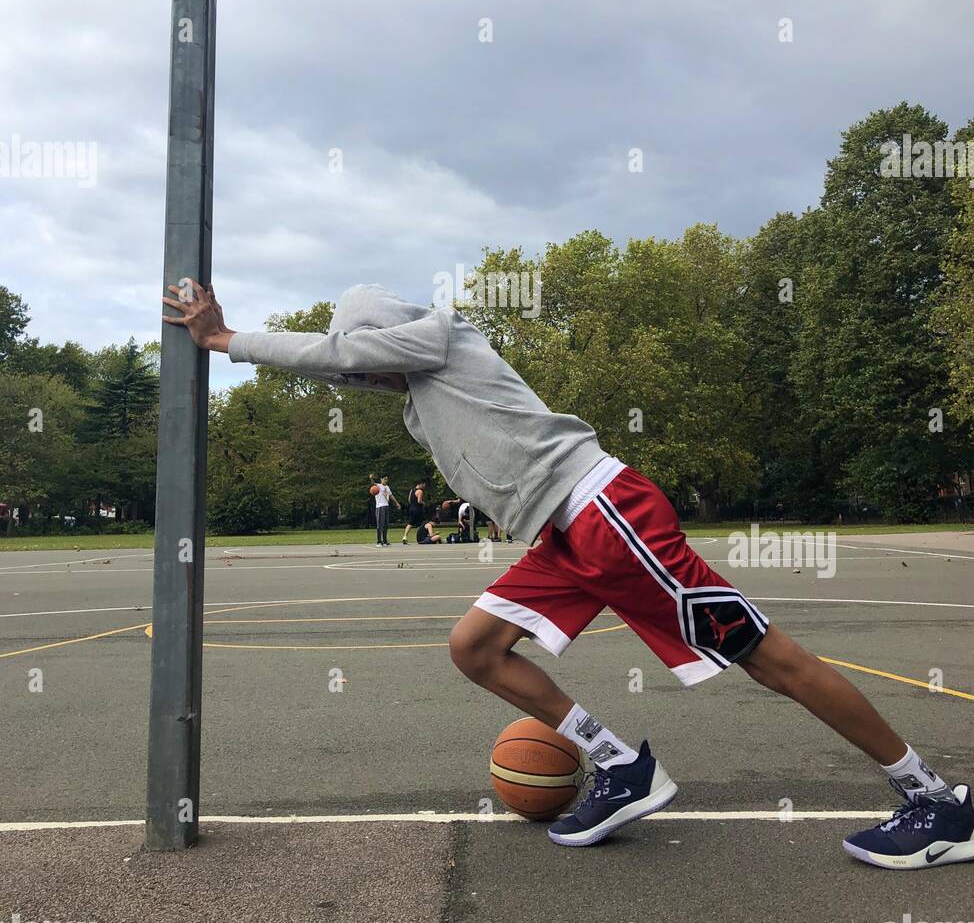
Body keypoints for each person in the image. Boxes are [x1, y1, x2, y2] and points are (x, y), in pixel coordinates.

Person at [163, 280, 974, 865]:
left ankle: (934, 800)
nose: (359, 382)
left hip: (608, 515)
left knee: (768, 658)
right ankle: (622, 764)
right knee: (476, 648)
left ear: (379, 338)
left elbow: (338, 349)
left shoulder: (438, 336)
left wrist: (226, 341)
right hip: (566, 535)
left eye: (357, 367)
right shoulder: (420, 391)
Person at [372, 475, 399, 547]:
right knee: (380, 524)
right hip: (380, 507)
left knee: (385, 525)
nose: (386, 480)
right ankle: (378, 541)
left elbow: (391, 496)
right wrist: (371, 478)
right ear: (381, 479)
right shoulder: (378, 486)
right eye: (384, 479)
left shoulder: (387, 487)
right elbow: (373, 483)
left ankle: (384, 541)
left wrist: (396, 503)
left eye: (387, 479)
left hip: (386, 506)